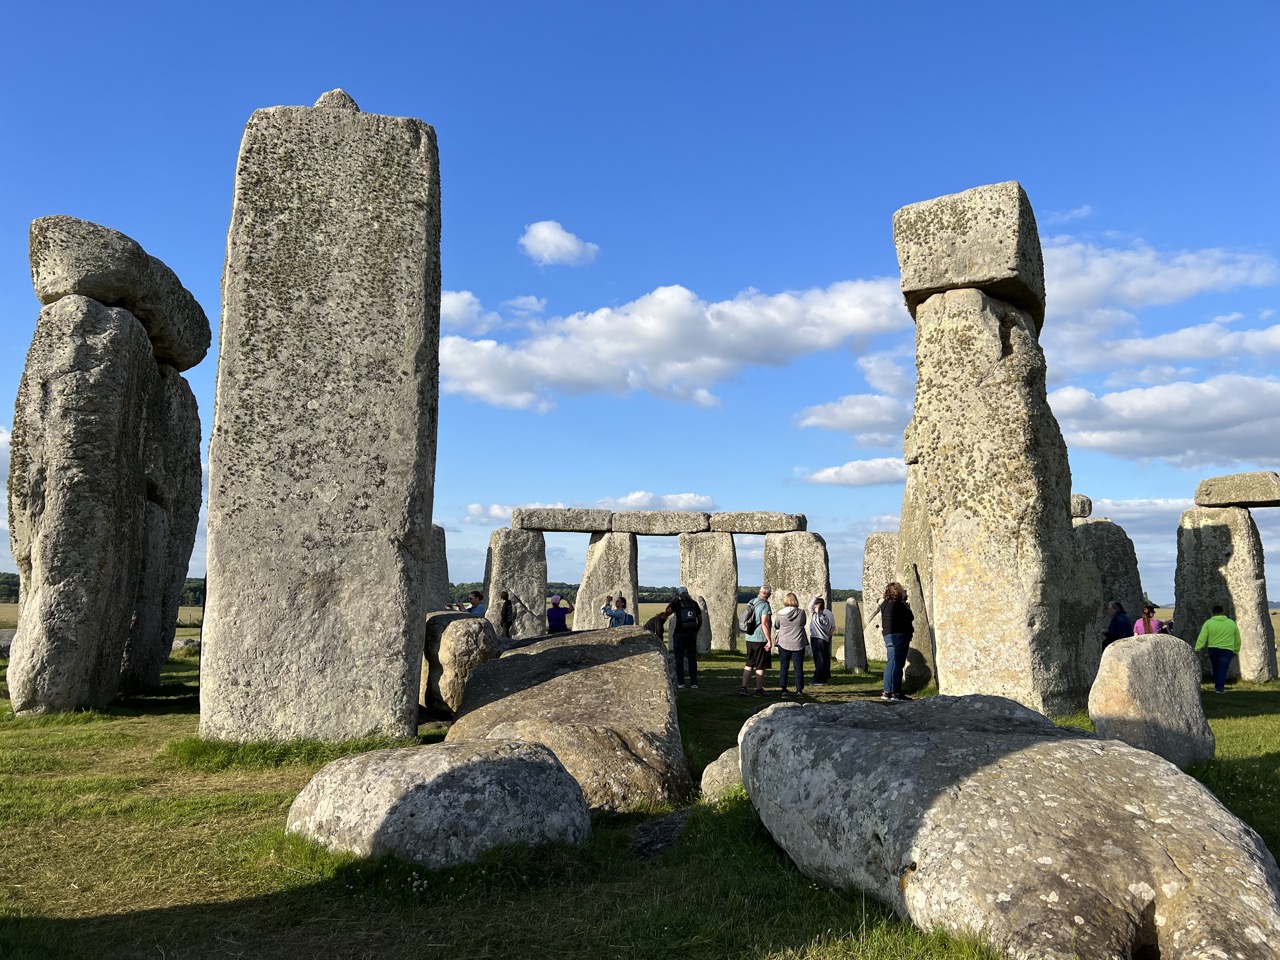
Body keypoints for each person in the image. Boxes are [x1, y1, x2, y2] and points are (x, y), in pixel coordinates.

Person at [880, 582, 914, 702]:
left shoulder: (884, 604)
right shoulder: (899, 605)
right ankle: (896, 692)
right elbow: (909, 617)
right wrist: (907, 608)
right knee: (898, 664)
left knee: (891, 663)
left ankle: (887, 691)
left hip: (888, 635)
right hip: (899, 635)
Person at [1195, 604, 1241, 694]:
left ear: (1212, 613)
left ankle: (1218, 685)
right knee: (1223, 668)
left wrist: (1198, 648)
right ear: (1222, 612)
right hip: (1227, 649)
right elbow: (1237, 638)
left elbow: (1202, 636)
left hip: (1213, 648)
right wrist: (1236, 650)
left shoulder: (1208, 623)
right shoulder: (1231, 623)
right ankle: (1219, 688)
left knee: (1215, 668)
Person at [666, 587, 703, 689]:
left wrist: (672, 601)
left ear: (678, 594)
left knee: (679, 658)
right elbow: (700, 619)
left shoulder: (678, 603)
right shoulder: (694, 604)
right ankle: (694, 683)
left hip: (679, 633)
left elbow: (667, 612)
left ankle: (681, 683)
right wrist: (696, 631)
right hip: (691, 634)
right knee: (692, 658)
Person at [740, 585, 774, 697]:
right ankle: (758, 690)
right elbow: (764, 623)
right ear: (768, 594)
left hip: (749, 636)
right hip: (760, 638)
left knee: (749, 663)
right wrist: (769, 640)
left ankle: (744, 688)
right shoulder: (765, 605)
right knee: (760, 665)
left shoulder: (752, 601)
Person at [773, 592, 808, 696]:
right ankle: (799, 690)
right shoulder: (801, 612)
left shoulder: (780, 613)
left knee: (784, 666)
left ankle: (783, 689)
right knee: (798, 667)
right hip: (798, 642)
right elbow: (803, 623)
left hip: (783, 642)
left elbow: (776, 625)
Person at [808, 596, 836, 685]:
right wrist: (829, 634)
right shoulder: (829, 613)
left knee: (819, 659)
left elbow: (809, 606)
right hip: (825, 638)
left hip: (817, 638)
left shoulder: (815, 615)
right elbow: (833, 626)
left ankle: (819, 679)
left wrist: (815, 597)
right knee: (825, 658)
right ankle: (825, 675)